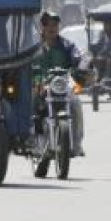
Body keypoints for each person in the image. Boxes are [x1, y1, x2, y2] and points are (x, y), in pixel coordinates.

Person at [34, 10, 86, 156]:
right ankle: (34, 141)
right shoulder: (33, 45)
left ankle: (76, 144)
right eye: (48, 24)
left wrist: (83, 64)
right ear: (42, 26)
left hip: (60, 85)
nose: (52, 28)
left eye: (55, 24)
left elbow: (77, 56)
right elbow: (24, 61)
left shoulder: (67, 45)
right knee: (30, 102)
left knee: (76, 102)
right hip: (37, 83)